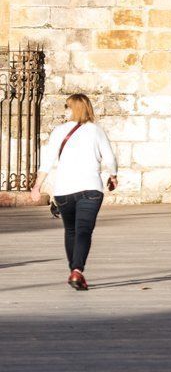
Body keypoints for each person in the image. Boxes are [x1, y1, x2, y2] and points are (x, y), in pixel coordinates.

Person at [29, 94, 118, 290]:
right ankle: (77, 271)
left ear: (74, 109)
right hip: (90, 189)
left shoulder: (59, 131)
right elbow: (110, 159)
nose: (65, 111)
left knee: (71, 231)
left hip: (64, 190)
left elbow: (47, 162)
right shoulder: (97, 131)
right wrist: (113, 176)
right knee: (84, 230)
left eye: (67, 107)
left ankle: (74, 271)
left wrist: (37, 186)